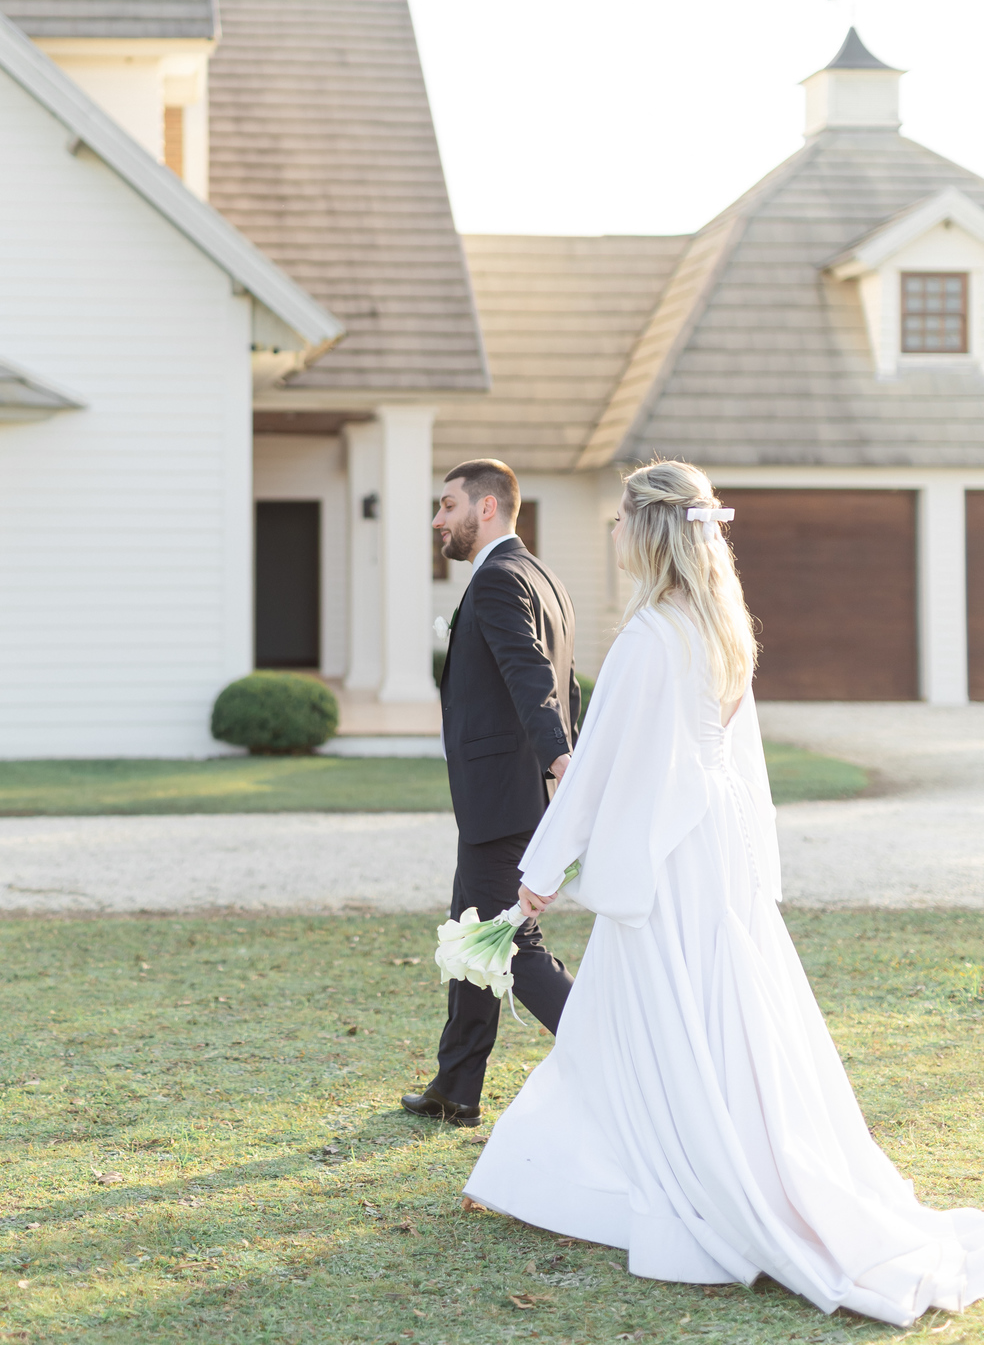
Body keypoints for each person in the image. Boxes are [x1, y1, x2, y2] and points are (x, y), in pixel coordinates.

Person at [463, 459, 984, 1327]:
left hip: (669, 858)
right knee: (700, 1012)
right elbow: (731, 760)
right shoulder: (720, 626)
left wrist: (540, 870)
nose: (614, 532)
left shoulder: (648, 637)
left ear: (648, 530)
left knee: (658, 1015)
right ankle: (543, 1169)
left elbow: (598, 770)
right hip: (714, 846)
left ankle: (595, 1175)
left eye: (622, 518)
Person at [402, 458, 582, 1129]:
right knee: (472, 933)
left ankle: (615, 1051)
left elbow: (533, 675)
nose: (437, 520)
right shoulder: (542, 576)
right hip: (513, 792)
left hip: (505, 795)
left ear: (486, 507)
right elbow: (569, 685)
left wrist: (561, 758)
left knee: (506, 940)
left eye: (447, 505)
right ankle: (456, 1086)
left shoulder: (501, 578)